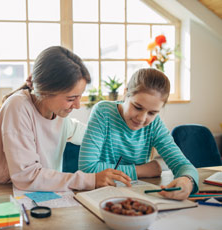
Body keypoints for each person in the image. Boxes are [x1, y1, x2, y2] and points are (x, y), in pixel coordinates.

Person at [0, 46, 131, 191]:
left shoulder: (59, 115)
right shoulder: (18, 106)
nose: (77, 105)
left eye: (79, 97)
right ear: (46, 91)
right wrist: (91, 179)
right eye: (71, 98)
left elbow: (87, 134)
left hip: (32, 195)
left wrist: (121, 138)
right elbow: (27, 177)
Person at [78, 68, 198, 200]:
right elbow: (87, 168)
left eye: (152, 113)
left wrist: (188, 181)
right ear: (126, 94)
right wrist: (141, 170)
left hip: (135, 196)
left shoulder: (154, 124)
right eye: (137, 107)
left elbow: (182, 165)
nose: (141, 118)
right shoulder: (103, 112)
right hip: (98, 196)